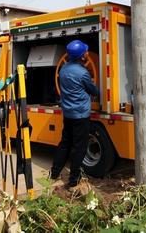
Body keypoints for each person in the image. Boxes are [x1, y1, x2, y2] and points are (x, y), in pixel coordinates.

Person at [50, 40, 99, 187]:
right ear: (81, 56)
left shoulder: (63, 69)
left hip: (68, 113)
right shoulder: (83, 73)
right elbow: (93, 90)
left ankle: (54, 172)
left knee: (65, 143)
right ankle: (73, 180)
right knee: (79, 147)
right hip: (81, 115)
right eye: (85, 51)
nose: (87, 53)